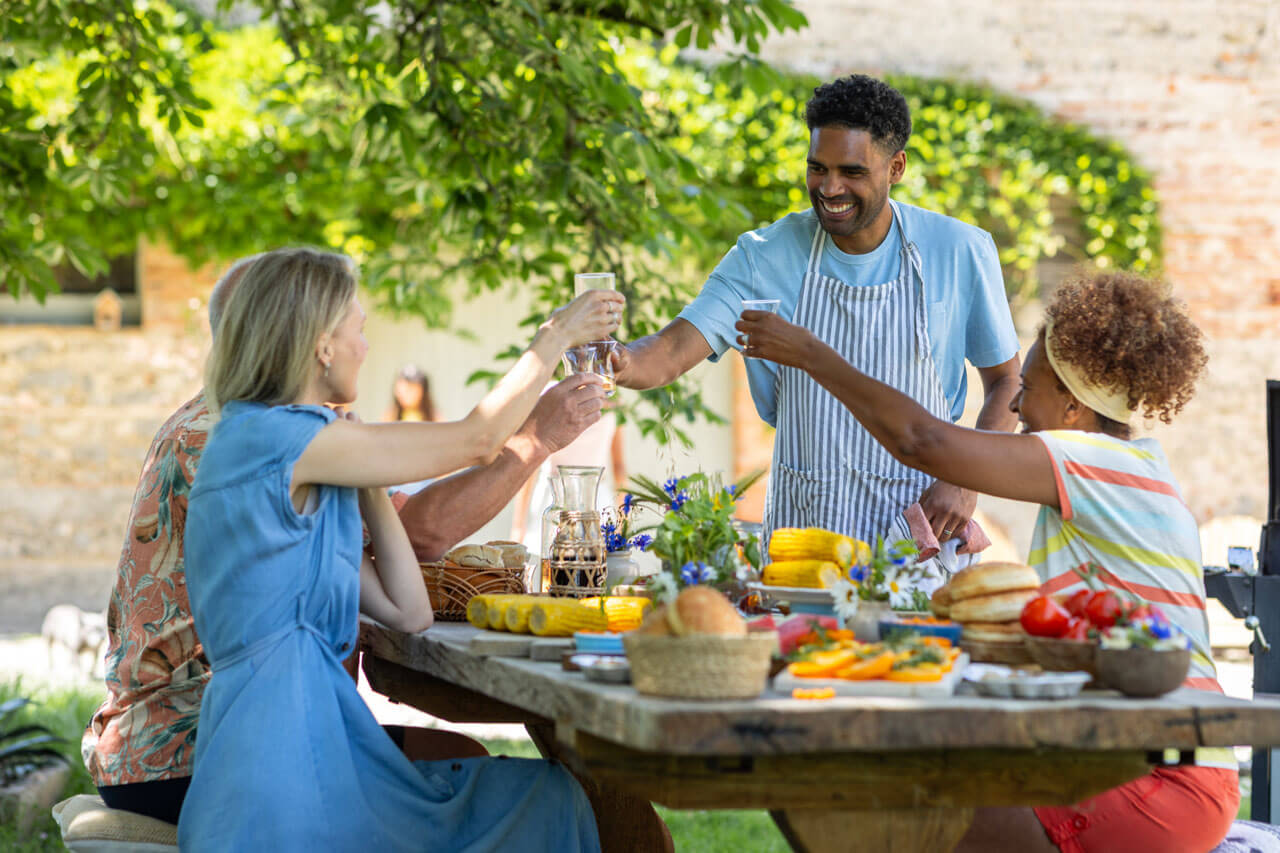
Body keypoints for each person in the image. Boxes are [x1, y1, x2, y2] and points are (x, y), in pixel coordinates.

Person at [83, 255, 610, 826]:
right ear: (320, 345)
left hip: (299, 729)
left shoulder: (297, 439)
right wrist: (556, 339)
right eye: (358, 329)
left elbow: (408, 612)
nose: (367, 346)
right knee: (552, 804)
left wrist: (371, 481)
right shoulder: (269, 436)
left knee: (535, 795)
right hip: (230, 752)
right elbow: (478, 441)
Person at [738, 269, 1238, 853]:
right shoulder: (1127, 468)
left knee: (872, 800)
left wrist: (813, 356)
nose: (1016, 402)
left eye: (1029, 387)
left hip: (1160, 782)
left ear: (1074, 407)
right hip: (1137, 760)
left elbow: (924, 442)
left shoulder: (1091, 461)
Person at [611, 74, 1021, 559]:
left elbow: (1007, 383)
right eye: (817, 168)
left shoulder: (958, 250)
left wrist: (964, 480)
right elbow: (670, 351)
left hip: (919, 540)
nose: (829, 187)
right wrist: (613, 357)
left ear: (896, 167)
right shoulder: (764, 256)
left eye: (851, 171)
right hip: (803, 545)